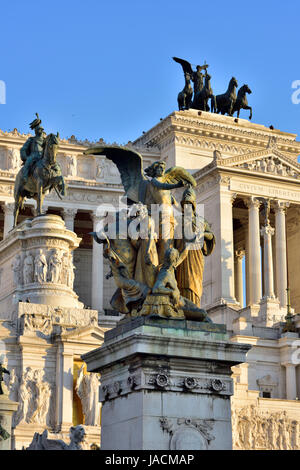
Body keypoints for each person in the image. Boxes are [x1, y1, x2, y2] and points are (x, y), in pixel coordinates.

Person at [20, 113, 45, 181]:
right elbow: (23, 149)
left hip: (42, 157)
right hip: (34, 156)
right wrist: (25, 157)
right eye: (40, 130)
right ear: (36, 131)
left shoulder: (45, 140)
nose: (41, 131)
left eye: (42, 130)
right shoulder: (31, 139)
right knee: (28, 162)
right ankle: (25, 176)